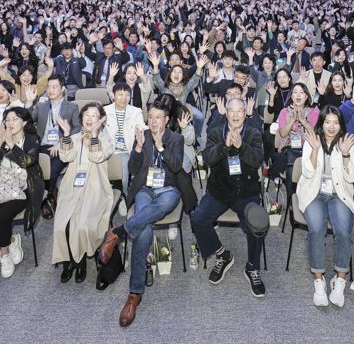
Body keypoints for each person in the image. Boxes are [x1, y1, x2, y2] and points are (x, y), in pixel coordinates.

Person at [97, 100, 197, 327]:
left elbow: (175, 166)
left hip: (169, 189)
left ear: (166, 120)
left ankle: (119, 232)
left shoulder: (176, 138)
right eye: (150, 117)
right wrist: (139, 148)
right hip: (145, 189)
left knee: (165, 203)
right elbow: (132, 169)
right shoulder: (141, 135)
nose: (153, 121)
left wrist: (161, 146)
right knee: (143, 231)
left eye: (158, 117)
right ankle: (134, 294)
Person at [190, 98, 267, 298]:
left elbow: (258, 160)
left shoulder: (253, 133)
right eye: (231, 110)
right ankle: (223, 254)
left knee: (257, 223)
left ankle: (252, 267)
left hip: (246, 192)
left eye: (239, 111)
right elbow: (206, 159)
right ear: (226, 113)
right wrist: (225, 146)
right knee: (198, 218)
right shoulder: (216, 132)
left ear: (244, 113)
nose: (235, 114)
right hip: (220, 191)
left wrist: (241, 146)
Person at [297, 106, 354, 307]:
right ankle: (319, 280)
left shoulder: (347, 143)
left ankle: (340, 279)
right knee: (316, 229)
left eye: (336, 122)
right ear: (321, 123)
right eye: (327, 122)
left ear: (340, 124)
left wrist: (346, 155)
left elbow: (352, 177)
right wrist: (315, 150)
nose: (331, 127)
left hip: (338, 194)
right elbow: (307, 172)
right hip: (314, 193)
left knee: (343, 231)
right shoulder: (312, 140)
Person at [0, 107, 43, 278]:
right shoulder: (2, 140)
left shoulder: (32, 139)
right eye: (7, 120)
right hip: (0, 186)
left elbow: (27, 161)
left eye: (15, 119)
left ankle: (4, 253)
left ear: (25, 122)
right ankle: (11, 240)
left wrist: (11, 144)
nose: (10, 123)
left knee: (1, 218)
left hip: (24, 187)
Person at [52, 102, 113, 283]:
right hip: (72, 185)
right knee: (62, 224)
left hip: (95, 187)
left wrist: (94, 135)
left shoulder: (105, 138)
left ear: (100, 120)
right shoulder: (75, 137)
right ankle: (68, 261)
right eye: (86, 115)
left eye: (94, 115)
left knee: (82, 225)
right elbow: (66, 157)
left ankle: (80, 262)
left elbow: (97, 156)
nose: (89, 118)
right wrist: (65, 134)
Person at [30, 75, 81, 219]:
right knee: (33, 169)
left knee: (51, 170)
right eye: (49, 87)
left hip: (61, 147)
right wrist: (29, 102)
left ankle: (49, 196)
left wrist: (62, 141)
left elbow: (78, 129)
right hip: (42, 146)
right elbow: (26, 121)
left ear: (62, 89)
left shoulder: (72, 107)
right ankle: (47, 195)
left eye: (54, 87)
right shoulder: (41, 106)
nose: (50, 90)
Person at [104, 82, 145, 200]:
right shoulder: (104, 111)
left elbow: (141, 125)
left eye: (127, 95)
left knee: (124, 171)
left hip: (125, 150)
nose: (124, 98)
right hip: (108, 149)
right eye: (120, 94)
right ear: (113, 95)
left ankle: (123, 196)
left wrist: (143, 130)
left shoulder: (135, 111)